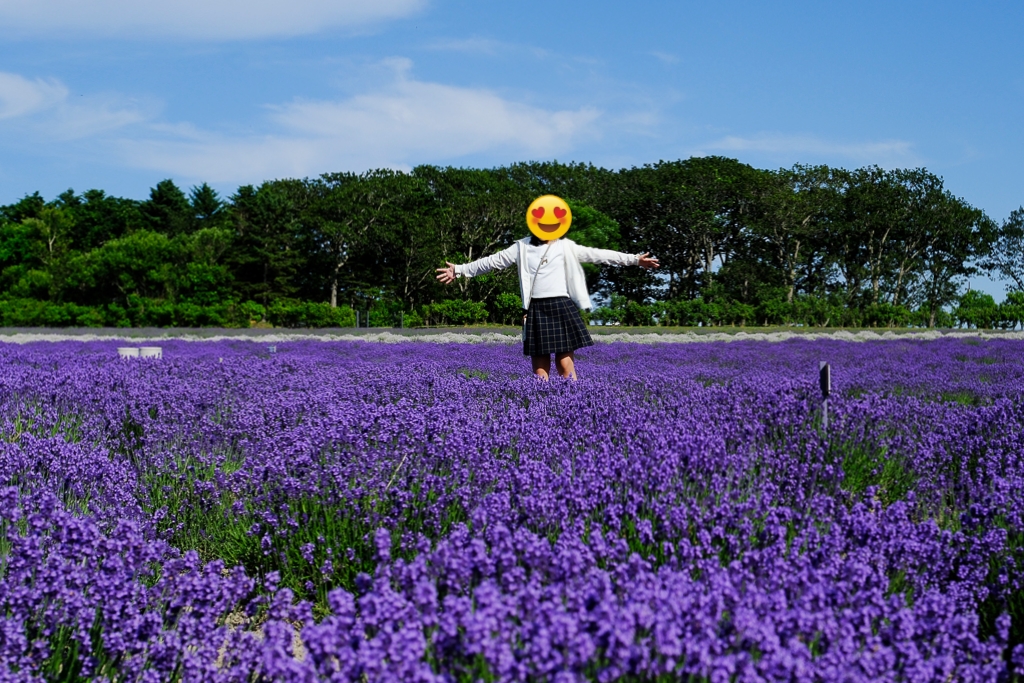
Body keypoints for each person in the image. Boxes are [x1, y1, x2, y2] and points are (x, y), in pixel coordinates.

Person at [435, 195, 659, 380]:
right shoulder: (520, 247)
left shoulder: (565, 247)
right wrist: (460, 269)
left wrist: (634, 260)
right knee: (540, 371)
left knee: (565, 366)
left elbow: (599, 254)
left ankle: (572, 406)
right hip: (535, 310)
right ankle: (544, 410)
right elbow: (491, 262)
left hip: (561, 306)